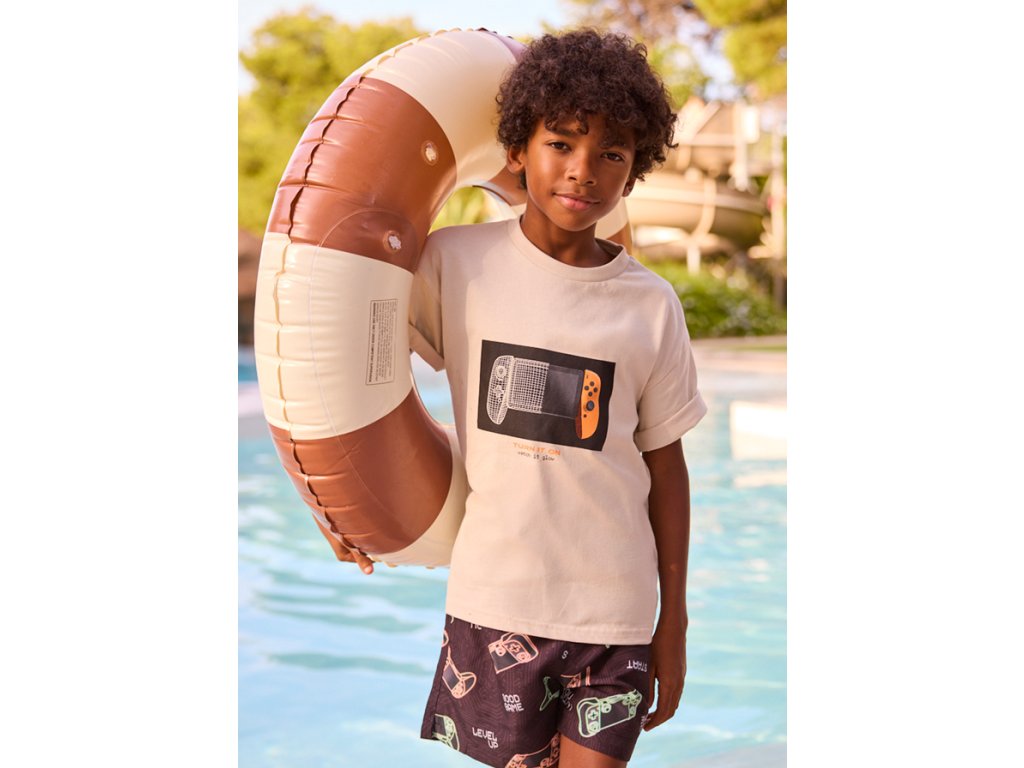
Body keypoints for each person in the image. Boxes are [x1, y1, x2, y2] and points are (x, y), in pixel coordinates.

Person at [374, 29, 705, 768]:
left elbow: (667, 467)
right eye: (561, 143)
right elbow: (345, 375)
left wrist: (674, 622)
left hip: (615, 615)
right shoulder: (453, 264)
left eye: (612, 154)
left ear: (634, 170)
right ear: (517, 150)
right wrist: (342, 508)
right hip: (498, 603)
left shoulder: (650, 305)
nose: (583, 171)